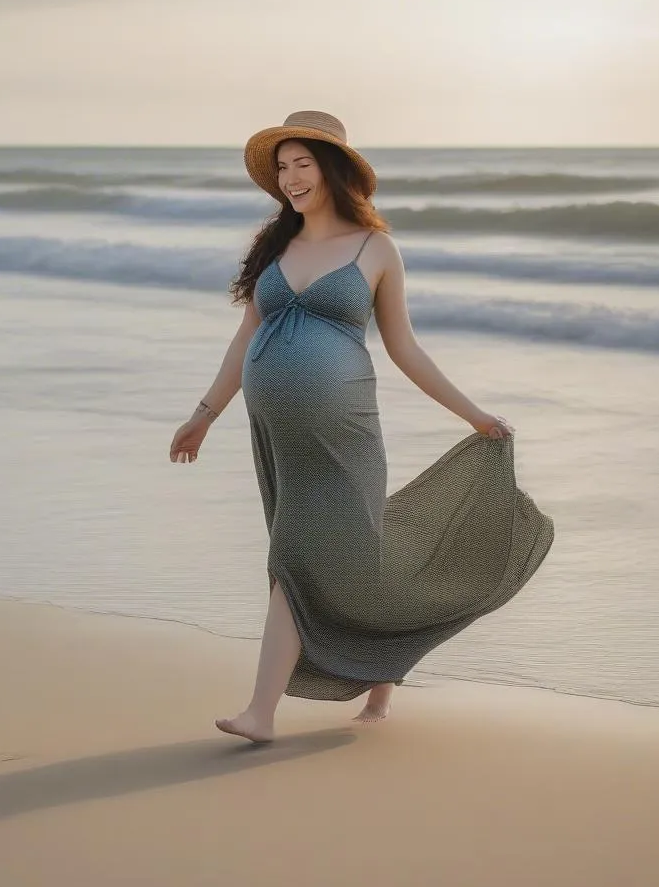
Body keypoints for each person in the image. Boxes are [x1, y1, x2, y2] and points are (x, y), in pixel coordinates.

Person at [168, 111, 554, 744]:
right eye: (283, 167)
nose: (291, 178)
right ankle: (381, 685)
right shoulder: (275, 246)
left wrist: (473, 414)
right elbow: (246, 337)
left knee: (295, 556)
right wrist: (204, 415)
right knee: (342, 558)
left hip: (342, 431)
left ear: (333, 169)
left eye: (304, 164)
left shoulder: (375, 248)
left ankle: (261, 713)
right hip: (278, 436)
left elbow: (404, 347)